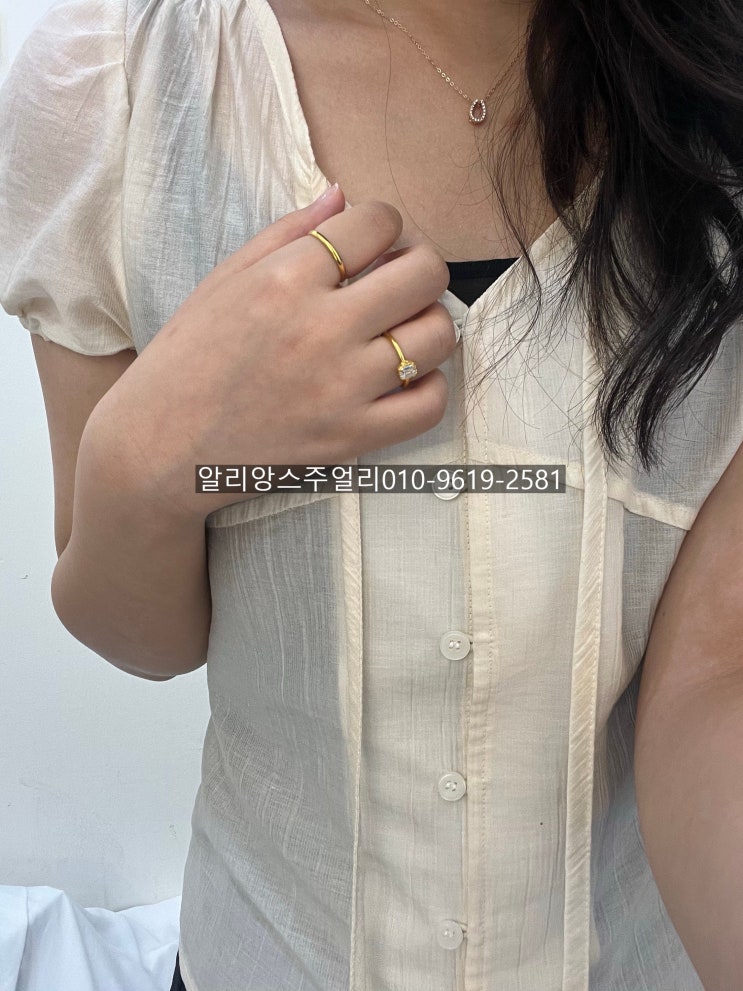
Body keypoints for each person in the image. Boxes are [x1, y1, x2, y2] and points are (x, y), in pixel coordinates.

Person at [1, 0, 743, 988]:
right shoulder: (110, 83)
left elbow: (715, 670)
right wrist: (145, 460)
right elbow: (142, 636)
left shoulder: (717, 77)